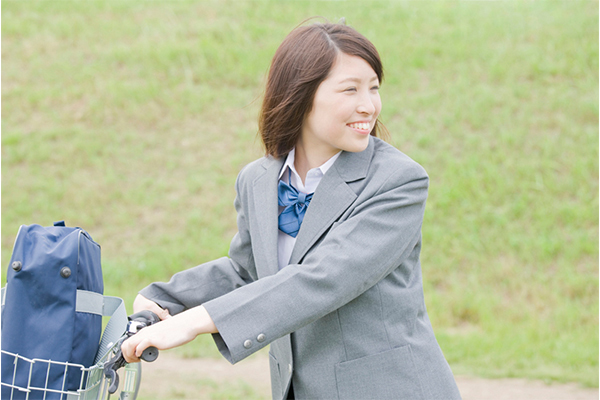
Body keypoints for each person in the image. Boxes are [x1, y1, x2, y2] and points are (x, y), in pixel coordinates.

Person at [122, 20, 462, 400]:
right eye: (350, 90)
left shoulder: (398, 181)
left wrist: (198, 322)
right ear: (301, 96)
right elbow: (249, 270)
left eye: (374, 88)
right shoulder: (257, 180)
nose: (369, 106)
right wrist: (166, 297)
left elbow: (325, 277)